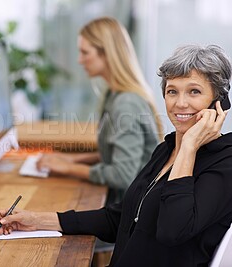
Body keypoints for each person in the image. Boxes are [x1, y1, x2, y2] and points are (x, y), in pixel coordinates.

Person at [0, 44, 232, 266]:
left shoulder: (231, 164)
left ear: (219, 102)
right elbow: (121, 218)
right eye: (172, 91)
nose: (180, 103)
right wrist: (36, 220)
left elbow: (173, 230)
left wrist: (189, 147)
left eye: (194, 91)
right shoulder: (167, 149)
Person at [37, 17, 163, 205]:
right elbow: (114, 155)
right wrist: (71, 160)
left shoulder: (126, 103)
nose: (80, 60)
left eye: (85, 53)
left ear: (107, 54)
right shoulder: (112, 94)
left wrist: (69, 169)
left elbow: (122, 174)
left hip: (128, 209)